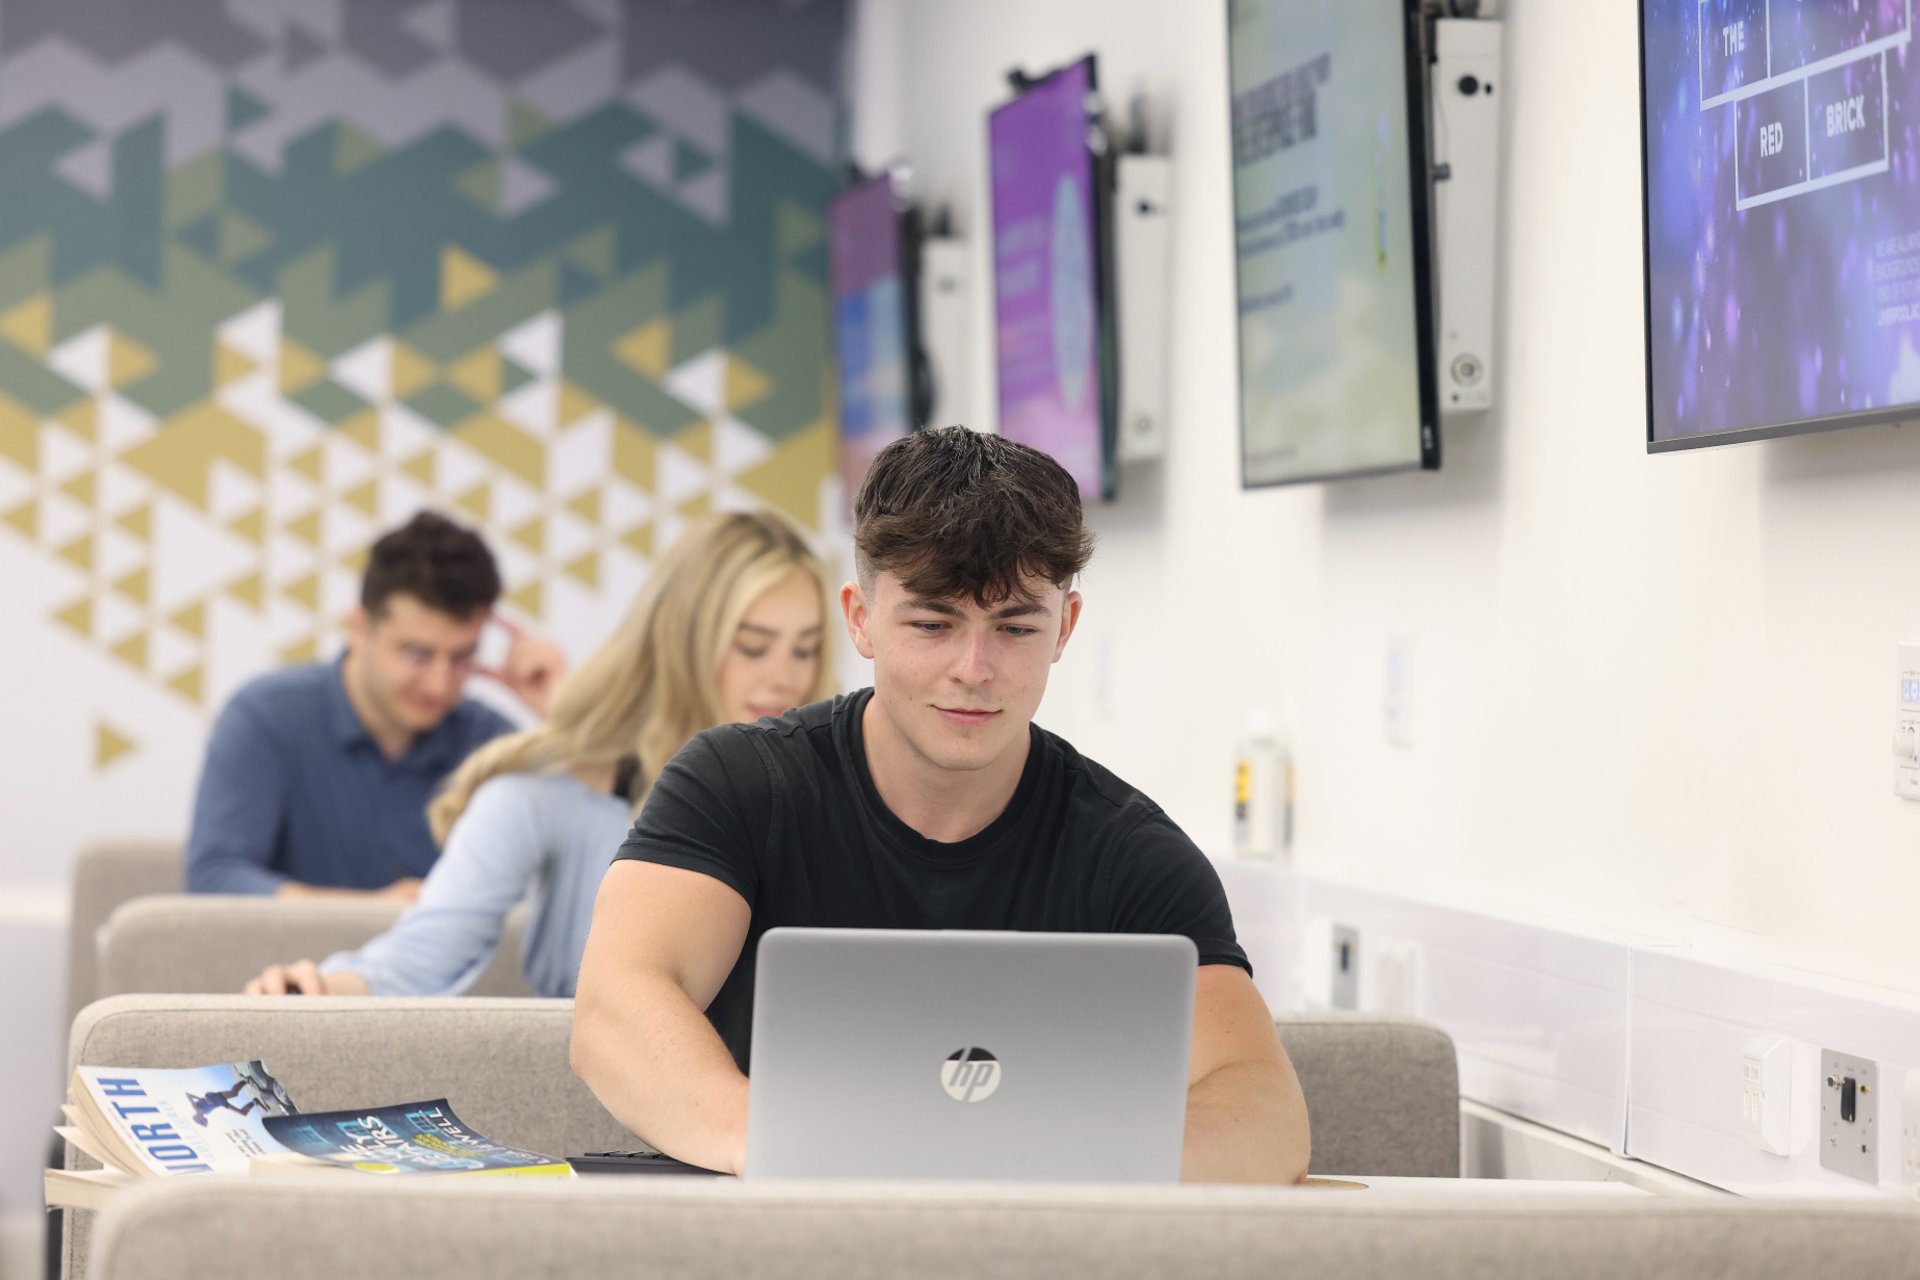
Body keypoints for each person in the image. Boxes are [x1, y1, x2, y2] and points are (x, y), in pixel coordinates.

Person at [570, 426, 1313, 1184]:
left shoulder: (1133, 853)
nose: (975, 670)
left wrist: (1094, 1175)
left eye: (1016, 627)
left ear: (1066, 627)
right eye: (932, 624)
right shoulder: (736, 784)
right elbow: (614, 1011)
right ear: (861, 618)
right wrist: (784, 1149)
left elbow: (1263, 1109)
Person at [241, 510, 833, 998]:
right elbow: (423, 956)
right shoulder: (545, 794)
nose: (785, 680)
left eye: (804, 651)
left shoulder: (829, 793)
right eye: (753, 648)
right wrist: (318, 988)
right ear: (681, 642)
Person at [184, 510, 566, 900]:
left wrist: (560, 710)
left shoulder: (491, 741)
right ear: (359, 629)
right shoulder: (265, 716)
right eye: (418, 653)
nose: (439, 683)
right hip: (288, 959)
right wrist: (372, 912)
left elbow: (589, 858)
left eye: (461, 658)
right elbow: (215, 879)